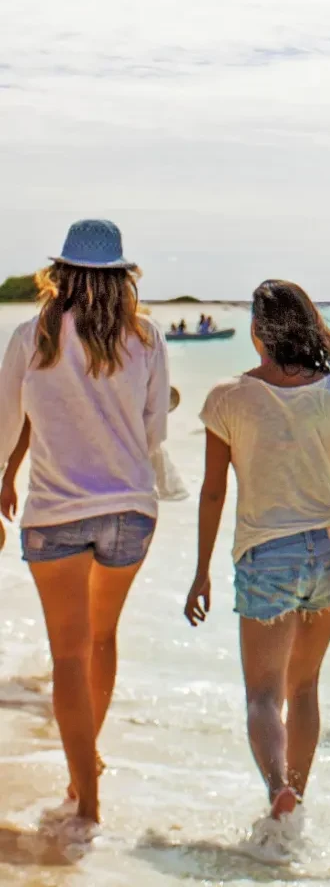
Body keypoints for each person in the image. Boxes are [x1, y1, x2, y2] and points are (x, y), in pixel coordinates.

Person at [184, 280, 330, 860]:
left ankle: (278, 790)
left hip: (267, 553)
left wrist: (202, 570)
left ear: (257, 332)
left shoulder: (227, 397)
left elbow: (213, 492)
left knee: (263, 694)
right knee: (304, 685)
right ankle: (294, 811)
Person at [0, 220, 169, 832]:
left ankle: (86, 800)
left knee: (68, 656)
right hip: (131, 510)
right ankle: (84, 768)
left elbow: (4, 426)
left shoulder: (32, 336)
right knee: (102, 640)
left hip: (55, 514)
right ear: (122, 277)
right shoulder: (146, 337)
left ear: (60, 274)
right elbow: (154, 431)